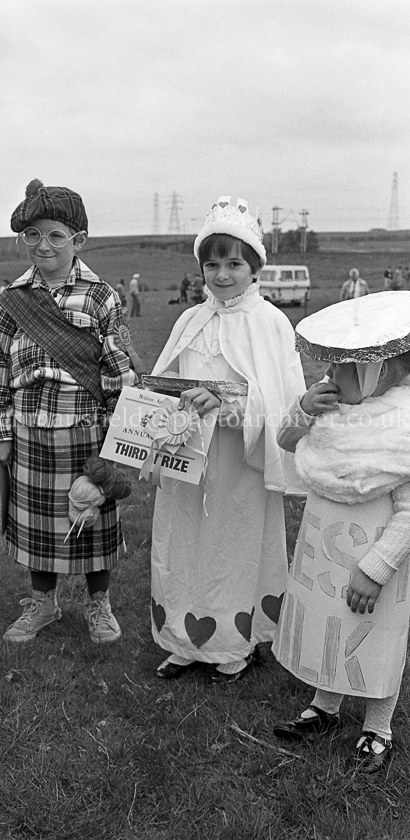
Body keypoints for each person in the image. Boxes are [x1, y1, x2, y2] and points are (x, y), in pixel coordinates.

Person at [149, 195, 306, 682]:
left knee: (231, 545)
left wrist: (227, 407)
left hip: (240, 461)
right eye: (212, 264)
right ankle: (182, 638)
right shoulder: (190, 320)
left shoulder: (269, 322)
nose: (221, 275)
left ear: (255, 267)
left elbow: (281, 399)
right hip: (188, 457)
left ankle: (232, 644)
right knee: (183, 542)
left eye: (234, 264)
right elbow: (167, 382)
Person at [0, 179, 137, 644]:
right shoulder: (10, 300)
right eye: (32, 234)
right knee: (38, 529)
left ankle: (99, 604)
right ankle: (43, 604)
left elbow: (119, 371)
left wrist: (119, 440)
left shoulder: (101, 297)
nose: (43, 244)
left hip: (89, 432)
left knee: (92, 519)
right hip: (29, 432)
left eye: (55, 235)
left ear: (78, 240)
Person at [272, 291, 410, 774]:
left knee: (378, 634)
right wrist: (303, 408)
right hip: (325, 552)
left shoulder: (401, 428)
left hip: (376, 559)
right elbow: (285, 440)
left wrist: (376, 569)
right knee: (330, 626)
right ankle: (324, 707)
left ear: (380, 372)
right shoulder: (328, 409)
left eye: (344, 368)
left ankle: (378, 727)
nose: (330, 375)